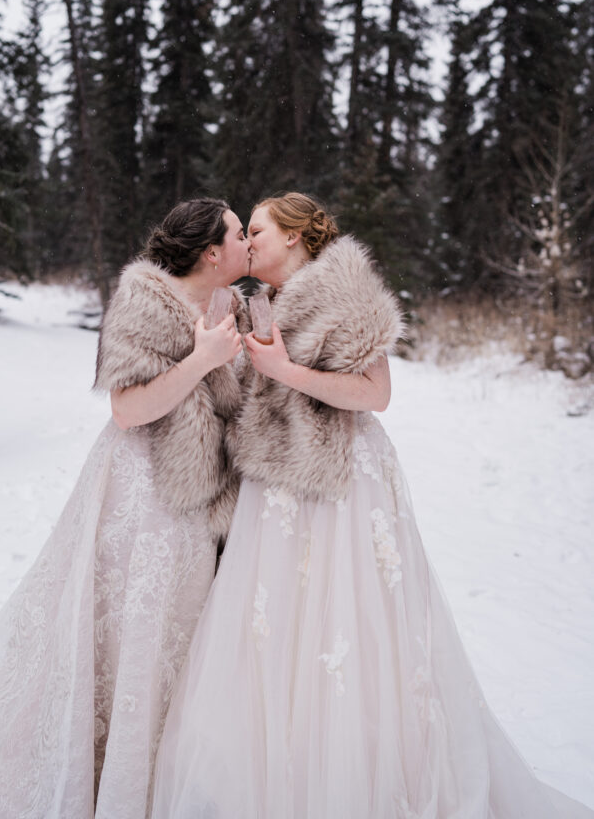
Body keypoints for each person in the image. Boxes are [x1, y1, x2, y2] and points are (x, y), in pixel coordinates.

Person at [151, 192, 593, 819]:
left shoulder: (343, 287)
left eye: (257, 231)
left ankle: (355, 771)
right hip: (276, 482)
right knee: (275, 625)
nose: (246, 244)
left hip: (340, 485)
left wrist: (283, 371)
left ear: (297, 236)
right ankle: (277, 768)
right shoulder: (260, 299)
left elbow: (376, 393)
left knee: (345, 619)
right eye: (243, 233)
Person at [0, 198, 251, 819]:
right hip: (141, 493)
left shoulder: (236, 305)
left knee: (181, 634)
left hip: (203, 496)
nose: (247, 242)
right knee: (128, 630)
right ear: (210, 251)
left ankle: (161, 780)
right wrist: (202, 360)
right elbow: (127, 410)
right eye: (237, 233)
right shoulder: (144, 302)